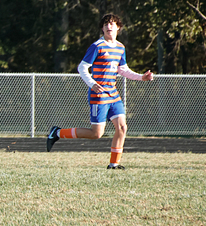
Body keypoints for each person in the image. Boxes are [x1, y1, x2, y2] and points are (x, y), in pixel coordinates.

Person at [46, 13, 154, 169]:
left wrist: (141, 77)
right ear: (102, 28)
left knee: (122, 127)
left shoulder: (120, 47)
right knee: (96, 133)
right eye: (105, 24)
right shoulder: (97, 46)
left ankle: (114, 164)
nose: (109, 26)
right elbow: (82, 67)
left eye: (112, 23)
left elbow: (123, 70)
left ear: (118, 27)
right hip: (99, 95)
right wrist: (92, 83)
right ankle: (57, 133)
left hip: (113, 94)